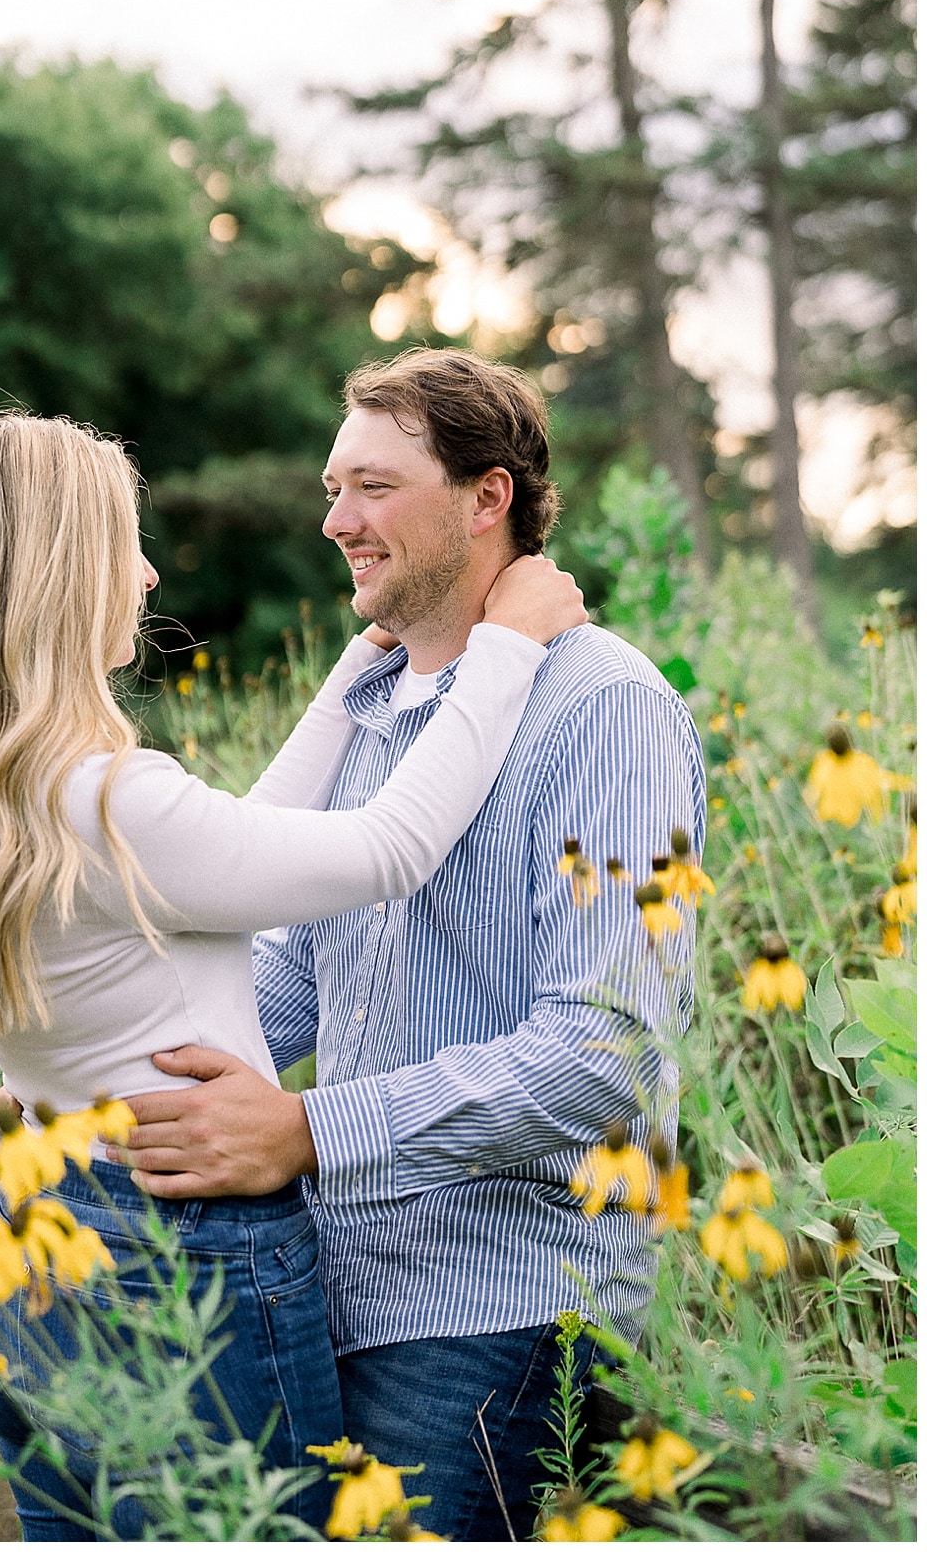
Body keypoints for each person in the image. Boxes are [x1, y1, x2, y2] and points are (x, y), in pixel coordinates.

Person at [0, 407, 588, 1541]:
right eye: (119, 548)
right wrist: (510, 651)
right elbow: (386, 849)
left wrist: (349, 675)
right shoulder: (108, 797)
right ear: (50, 577)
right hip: (175, 1250)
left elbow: (229, 846)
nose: (144, 574)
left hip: (39, 1228)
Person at [123, 348, 707, 1540]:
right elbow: (301, 968)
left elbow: (610, 1050)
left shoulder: (609, 707)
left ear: (486, 498)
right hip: (328, 1278)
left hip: (501, 1308)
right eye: (333, 487)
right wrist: (135, 1079)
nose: (337, 520)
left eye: (373, 487)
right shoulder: (381, 708)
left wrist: (306, 1127)